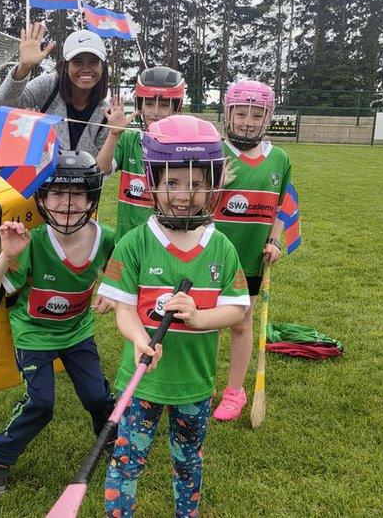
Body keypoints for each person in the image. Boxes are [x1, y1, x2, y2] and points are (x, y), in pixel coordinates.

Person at [97, 115, 250, 517]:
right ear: (153, 183)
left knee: (188, 462)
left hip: (194, 385)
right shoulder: (134, 244)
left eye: (196, 184)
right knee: (126, 463)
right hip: (141, 384)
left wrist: (199, 319)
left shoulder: (222, 248)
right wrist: (138, 339)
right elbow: (126, 311)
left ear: (212, 184)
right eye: (173, 182)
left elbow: (237, 309)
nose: (183, 194)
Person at [0, 151, 117, 499]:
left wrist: (114, 291)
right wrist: (6, 255)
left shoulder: (106, 237)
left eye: (78, 194)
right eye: (57, 193)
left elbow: (122, 270)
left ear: (92, 198)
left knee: (98, 395)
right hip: (35, 334)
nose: (68, 204)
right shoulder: (32, 242)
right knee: (41, 403)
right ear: (42, 197)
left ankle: (113, 438)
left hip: (77, 331)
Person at [209, 80, 292, 422]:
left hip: (250, 260)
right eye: (240, 113)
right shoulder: (213, 151)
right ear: (227, 114)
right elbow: (194, 205)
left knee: (241, 324)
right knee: (203, 323)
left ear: (267, 118)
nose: (247, 121)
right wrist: (216, 185)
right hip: (210, 256)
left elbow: (283, 207)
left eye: (256, 115)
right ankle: (200, 384)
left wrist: (274, 240)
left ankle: (235, 391)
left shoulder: (280, 160)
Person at [96, 66, 186, 241]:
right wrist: (114, 135)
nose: (155, 112)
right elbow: (100, 169)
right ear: (140, 105)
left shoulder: (186, 146)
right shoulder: (128, 140)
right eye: (150, 104)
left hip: (169, 242)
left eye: (164, 105)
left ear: (176, 107)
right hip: (128, 244)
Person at [0, 24, 110, 155]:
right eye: (77, 62)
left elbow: (100, 167)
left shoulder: (105, 113)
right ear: (66, 67)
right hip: (39, 174)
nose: (86, 68)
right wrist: (24, 67)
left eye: (93, 62)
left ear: (102, 67)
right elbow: (4, 105)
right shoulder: (50, 84)